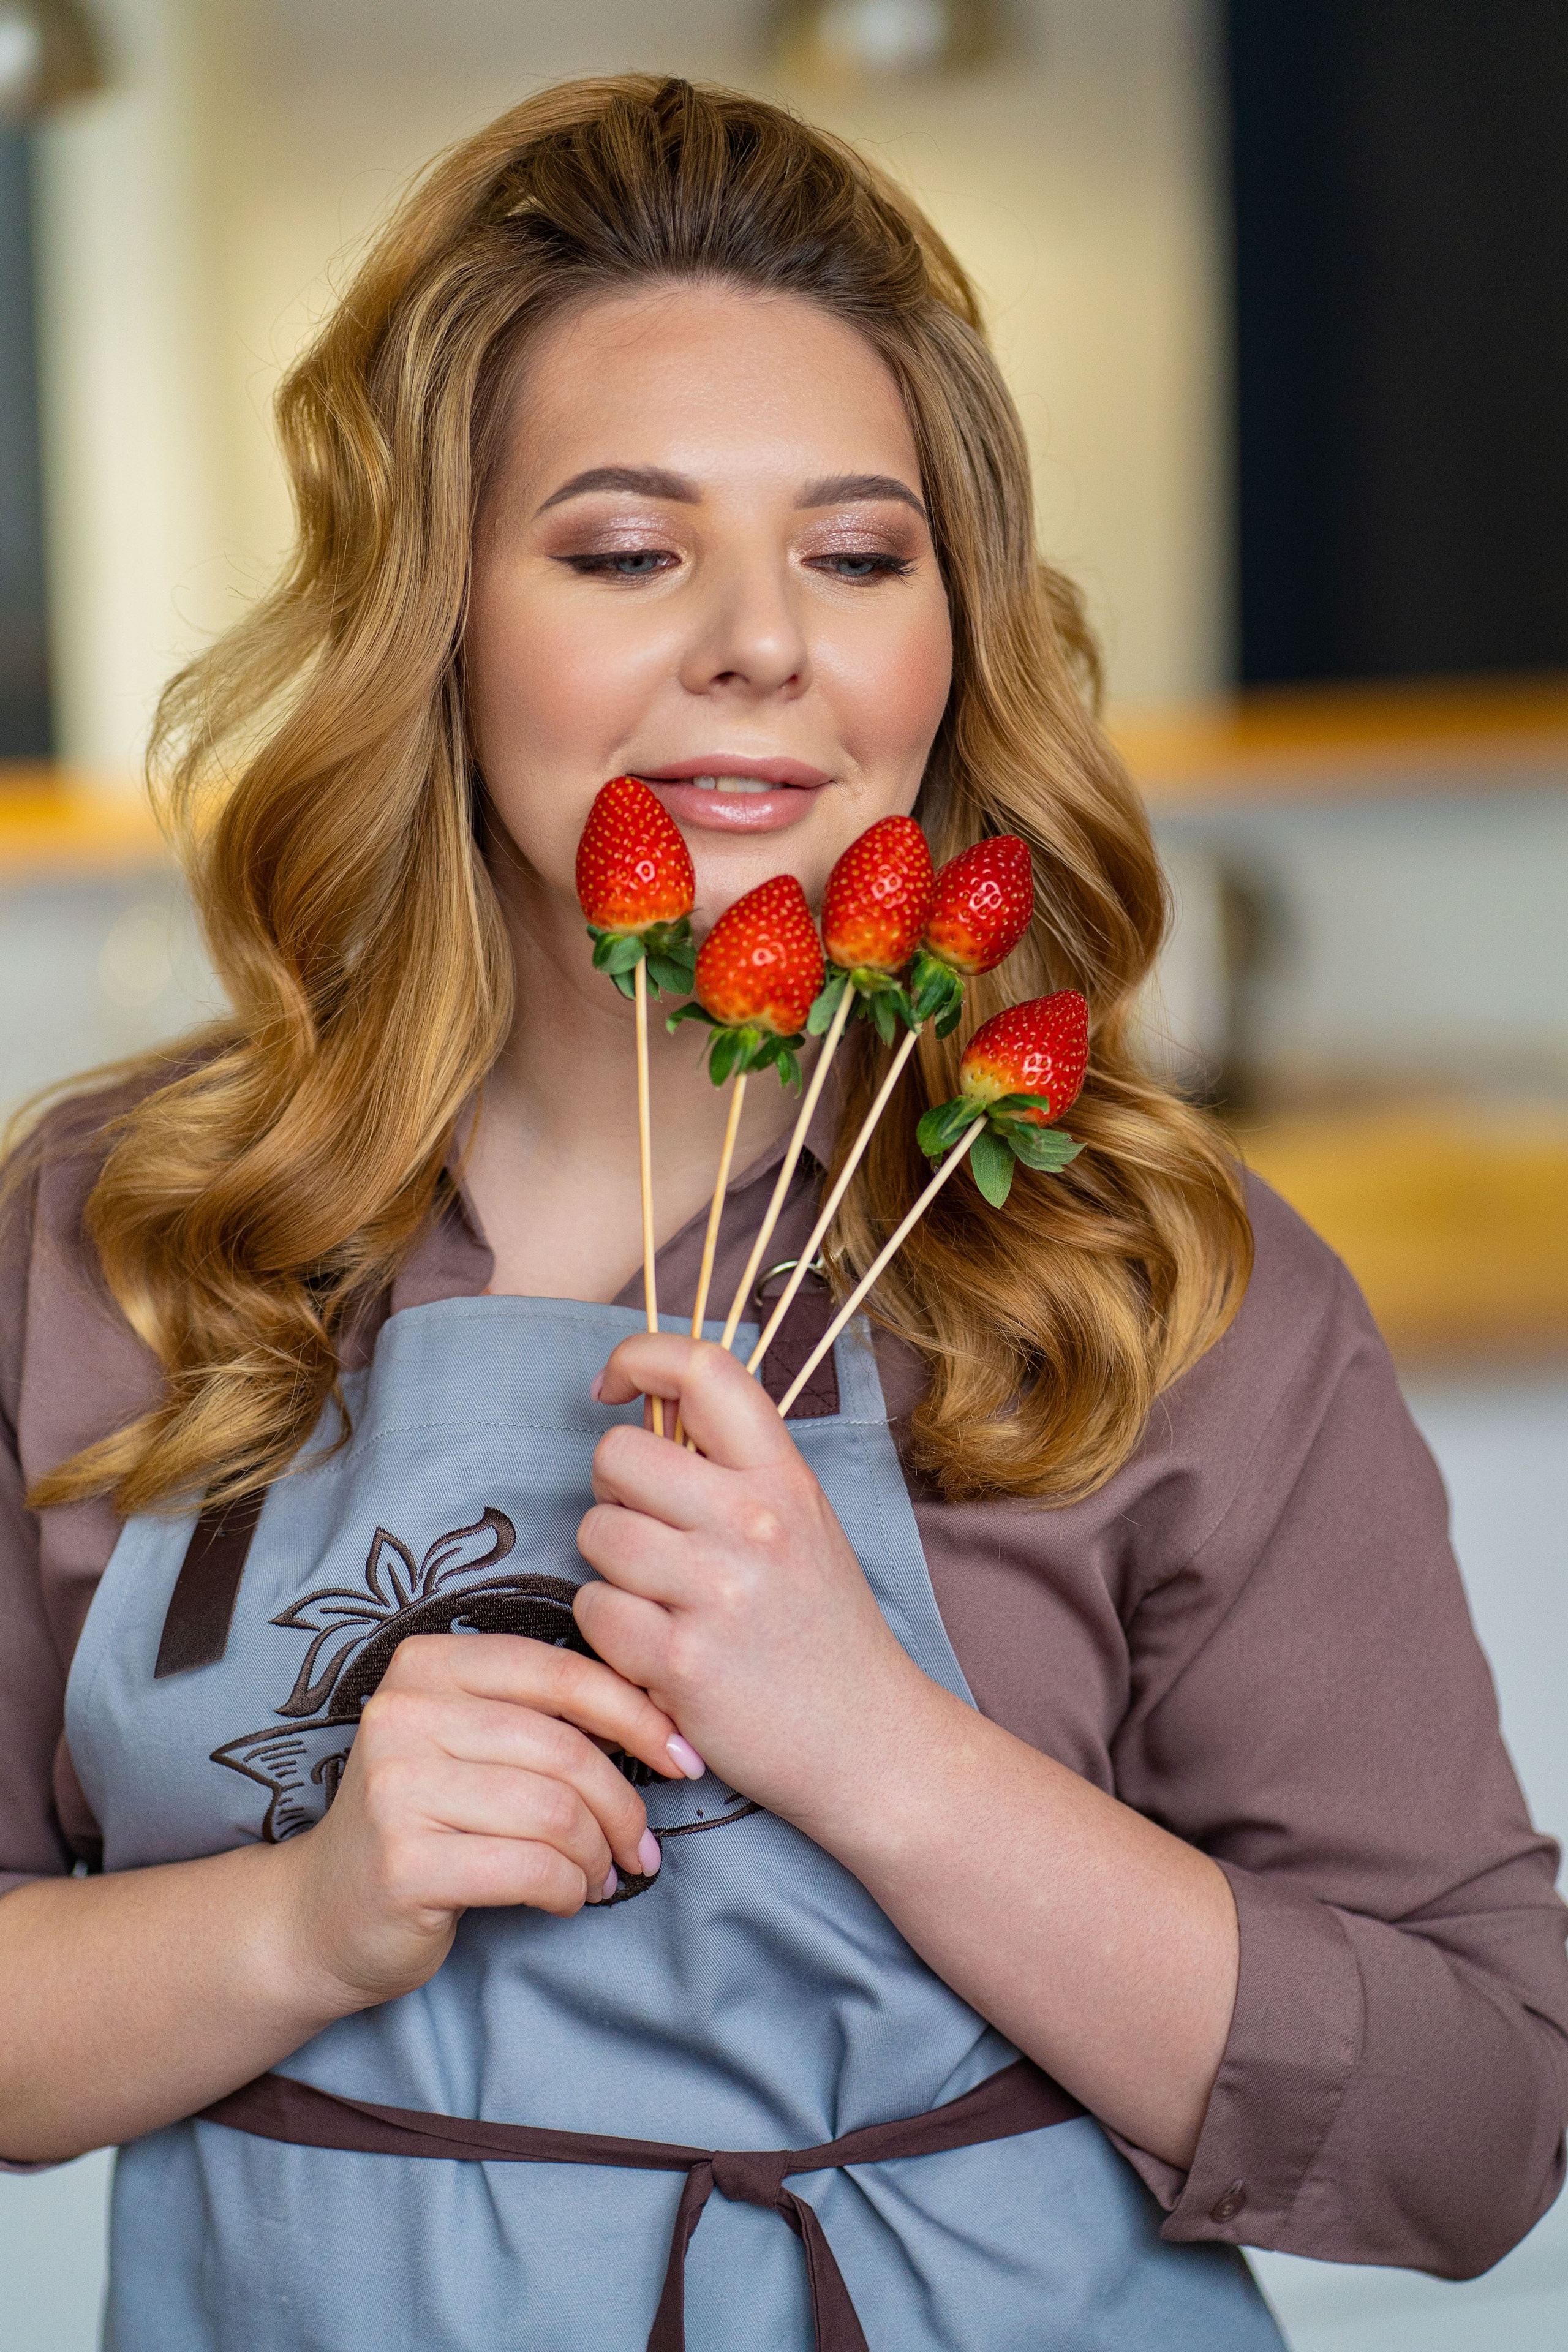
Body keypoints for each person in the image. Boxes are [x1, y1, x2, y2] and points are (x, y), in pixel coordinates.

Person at [1, 74, 1563, 2352]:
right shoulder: (119, 1240)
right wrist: (304, 1924)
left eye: (858, 551)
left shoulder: (1145, 1280)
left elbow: (1476, 2125)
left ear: (949, 637)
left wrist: (879, 1749)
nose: (764, 645)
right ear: (427, 616)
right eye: (627, 551)